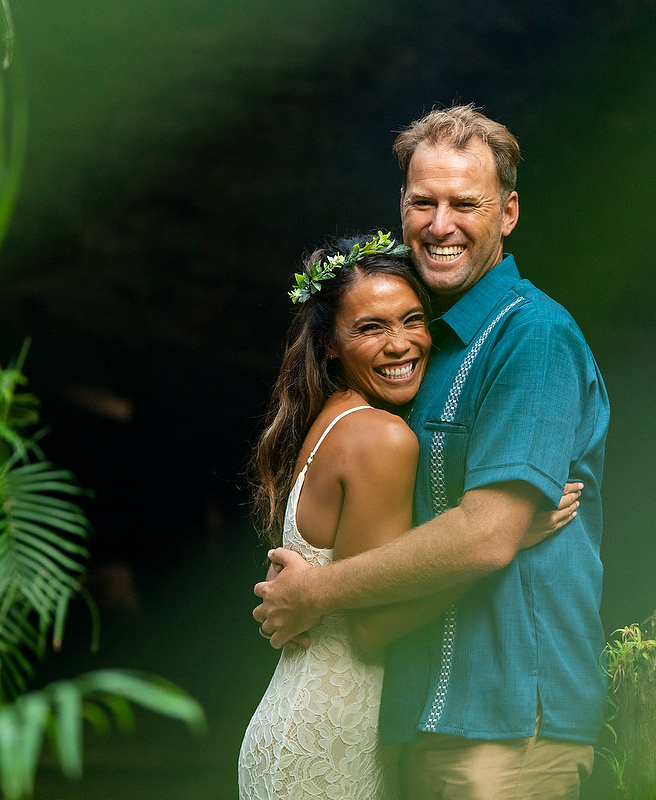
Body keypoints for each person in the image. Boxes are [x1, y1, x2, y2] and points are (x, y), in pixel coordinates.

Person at [254, 105, 610, 800]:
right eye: (424, 202)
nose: (440, 224)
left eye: (464, 204)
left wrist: (317, 591)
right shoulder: (418, 354)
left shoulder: (532, 337)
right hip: (414, 720)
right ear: (402, 208)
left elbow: (486, 537)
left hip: (505, 723)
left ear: (507, 214)